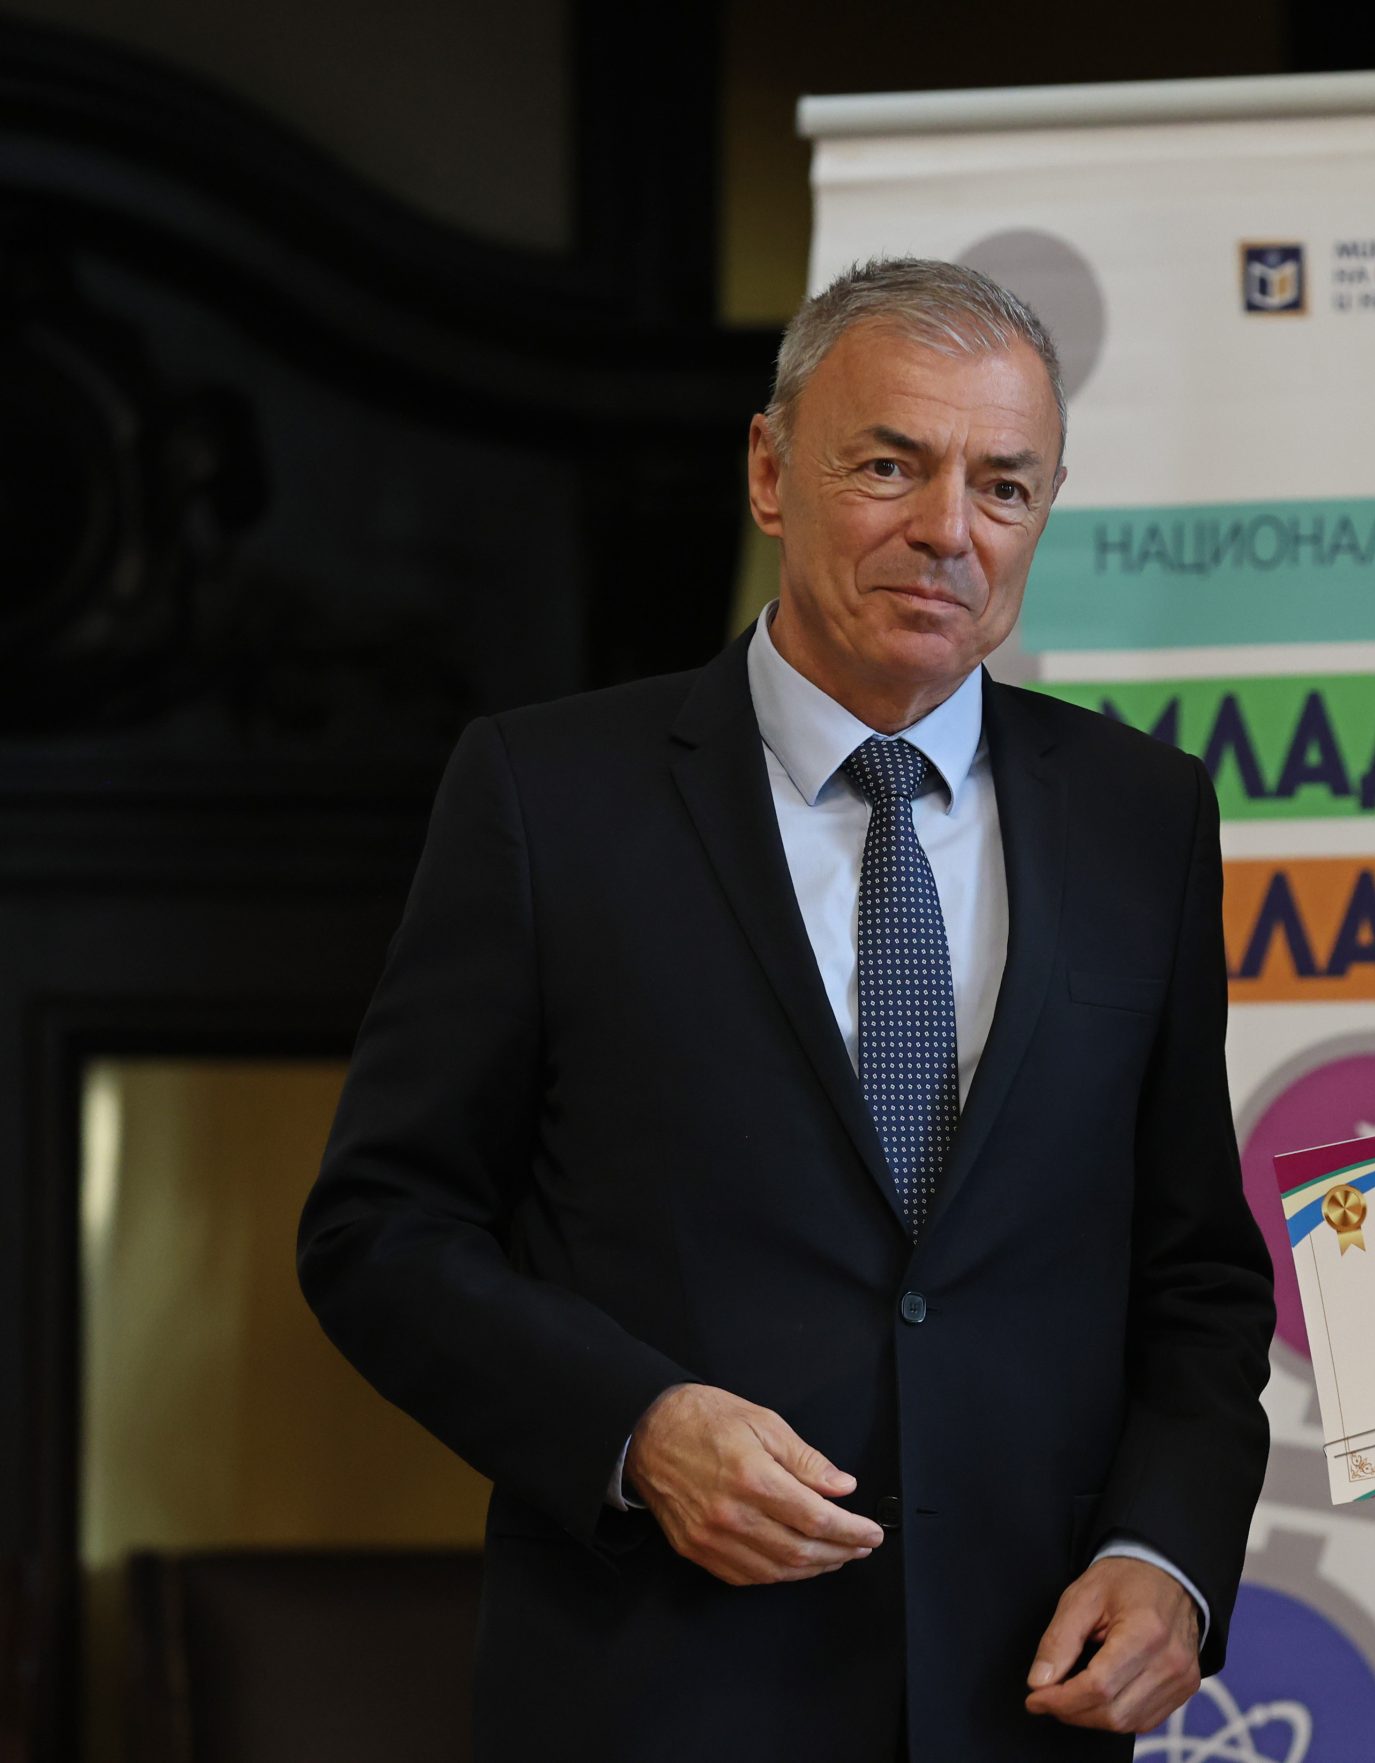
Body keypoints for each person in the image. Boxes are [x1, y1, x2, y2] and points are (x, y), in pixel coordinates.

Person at [299, 258, 1275, 1761]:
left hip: (1019, 1700)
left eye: (1004, 486)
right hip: (655, 1695)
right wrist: (633, 1428)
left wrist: (1169, 1554)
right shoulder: (547, 797)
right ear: (769, 472)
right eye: (889, 466)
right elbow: (381, 1229)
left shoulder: (1144, 817)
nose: (948, 529)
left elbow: (1195, 1269)